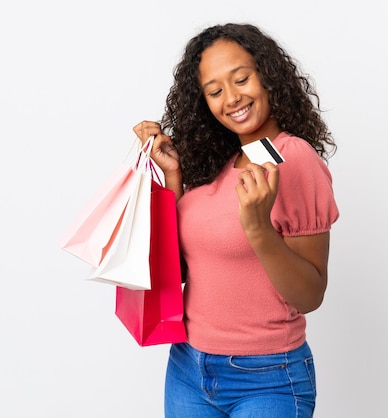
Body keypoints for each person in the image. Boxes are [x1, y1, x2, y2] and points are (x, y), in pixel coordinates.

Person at [133, 22, 339, 418]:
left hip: (266, 377)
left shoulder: (293, 160)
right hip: (188, 367)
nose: (231, 98)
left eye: (241, 78)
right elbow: (177, 270)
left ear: (268, 76)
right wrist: (173, 178)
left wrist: (260, 229)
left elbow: (310, 295)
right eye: (214, 91)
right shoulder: (225, 163)